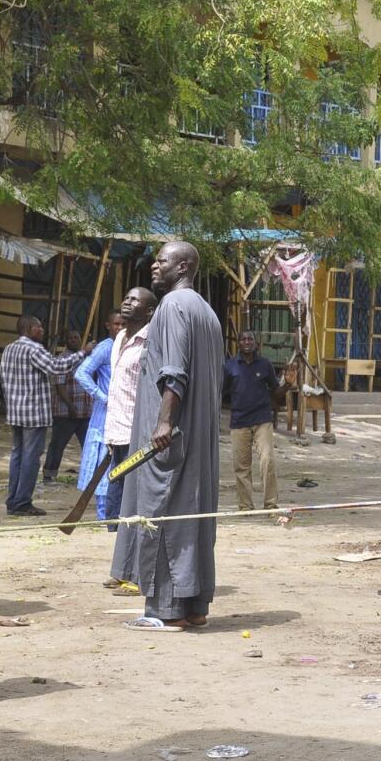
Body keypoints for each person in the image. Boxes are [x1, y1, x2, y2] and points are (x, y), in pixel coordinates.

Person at [109, 242, 223, 629]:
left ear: (185, 266)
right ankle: (194, 607)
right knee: (192, 513)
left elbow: (174, 370)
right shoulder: (206, 311)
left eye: (162, 261)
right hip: (197, 436)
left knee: (164, 512)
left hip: (169, 434)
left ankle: (167, 610)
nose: (154, 267)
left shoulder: (174, 307)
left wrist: (163, 422)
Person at [0, 316, 88, 516]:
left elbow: (2, 378)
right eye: (39, 327)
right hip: (34, 413)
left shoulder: (9, 349)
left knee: (18, 456)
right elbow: (56, 368)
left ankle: (13, 500)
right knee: (30, 458)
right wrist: (82, 353)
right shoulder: (33, 349)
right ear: (29, 329)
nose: (42, 330)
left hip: (16, 411)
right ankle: (21, 502)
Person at [101, 288, 157, 589]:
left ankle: (140, 573)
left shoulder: (151, 341)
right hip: (118, 433)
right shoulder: (120, 338)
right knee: (124, 506)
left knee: (140, 507)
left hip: (140, 437)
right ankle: (123, 568)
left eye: (135, 300)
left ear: (149, 312)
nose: (126, 302)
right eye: (126, 297)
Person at [222, 331, 294, 510]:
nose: (247, 342)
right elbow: (221, 393)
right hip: (239, 422)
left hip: (262, 419)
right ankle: (246, 507)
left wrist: (287, 385)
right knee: (241, 467)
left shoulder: (265, 364)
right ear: (238, 343)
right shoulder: (229, 366)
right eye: (244, 339)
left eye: (250, 339)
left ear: (256, 343)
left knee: (267, 460)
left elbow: (276, 394)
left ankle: (270, 504)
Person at [73, 311, 127, 519]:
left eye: (124, 323)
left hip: (124, 412)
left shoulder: (131, 345)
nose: (120, 327)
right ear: (108, 325)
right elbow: (81, 373)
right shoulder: (105, 348)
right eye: (116, 324)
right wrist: (101, 396)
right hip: (105, 414)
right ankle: (104, 513)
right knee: (103, 459)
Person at [43, 330, 93, 483]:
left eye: (76, 337)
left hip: (85, 412)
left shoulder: (87, 359)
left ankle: (91, 476)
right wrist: (70, 406)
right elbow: (60, 386)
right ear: (66, 341)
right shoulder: (62, 359)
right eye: (70, 338)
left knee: (89, 445)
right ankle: (49, 475)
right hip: (66, 412)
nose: (74, 340)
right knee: (57, 445)